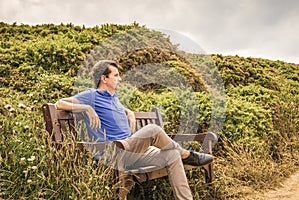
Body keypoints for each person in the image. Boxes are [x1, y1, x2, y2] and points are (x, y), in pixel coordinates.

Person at [55, 60, 213, 200]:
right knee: (152, 129)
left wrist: (128, 111)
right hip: (115, 152)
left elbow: (114, 109)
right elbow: (59, 104)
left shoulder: (114, 97)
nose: (120, 78)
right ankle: (187, 155)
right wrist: (86, 108)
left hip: (133, 151)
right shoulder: (92, 95)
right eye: (116, 75)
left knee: (172, 155)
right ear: (104, 78)